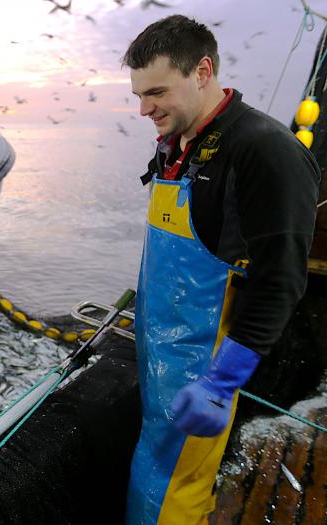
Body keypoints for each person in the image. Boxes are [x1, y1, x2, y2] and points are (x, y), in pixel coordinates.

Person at [122, 15, 321, 524]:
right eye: (140, 94)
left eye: (157, 92)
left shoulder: (266, 151)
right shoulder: (178, 141)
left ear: (203, 70)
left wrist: (220, 383)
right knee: (154, 474)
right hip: (158, 359)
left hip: (198, 373)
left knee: (170, 496)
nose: (144, 109)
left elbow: (281, 282)